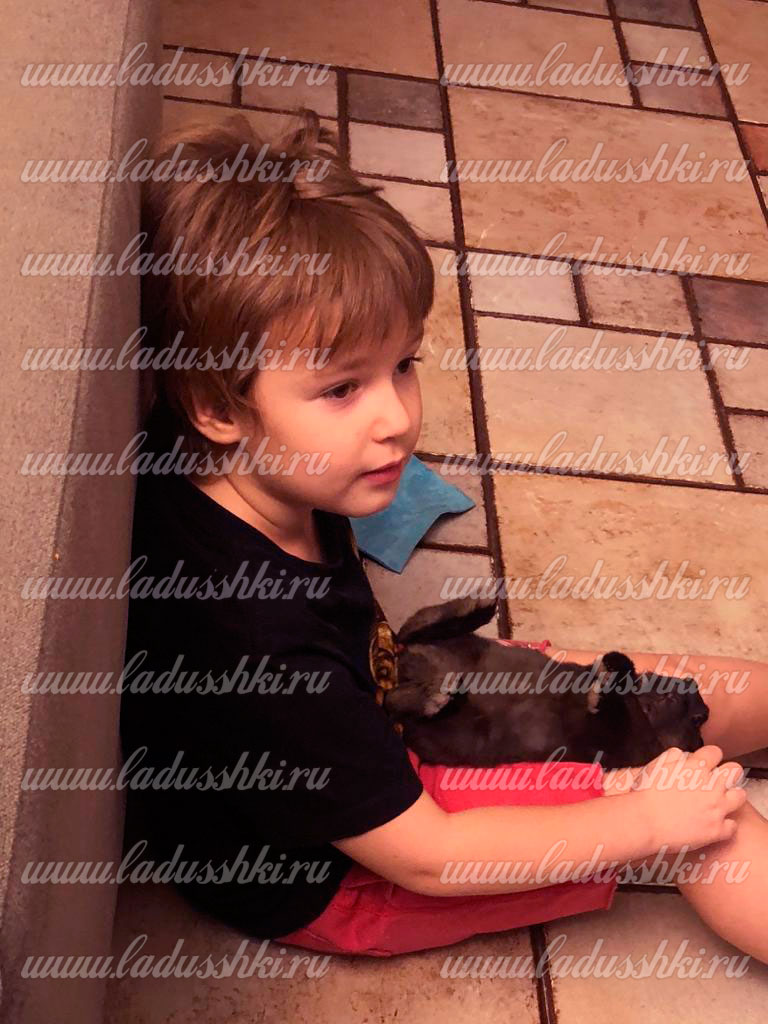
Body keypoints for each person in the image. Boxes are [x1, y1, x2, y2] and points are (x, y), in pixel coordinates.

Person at [120, 108, 767, 962]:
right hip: (347, 875)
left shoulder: (248, 460)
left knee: (676, 691)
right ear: (216, 405)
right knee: (700, 803)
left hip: (391, 699)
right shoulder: (257, 645)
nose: (396, 417)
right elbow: (426, 857)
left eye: (403, 365)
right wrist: (648, 818)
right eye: (343, 389)